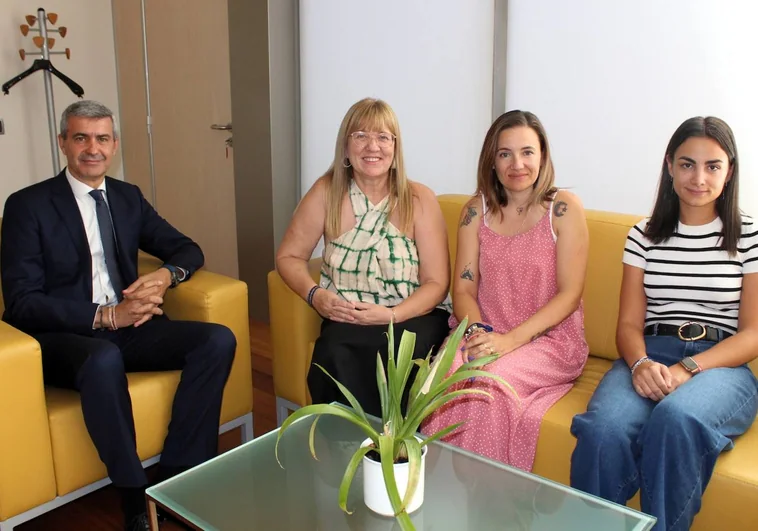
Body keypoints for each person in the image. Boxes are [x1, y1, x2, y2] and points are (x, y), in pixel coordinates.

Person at [0, 101, 236, 531]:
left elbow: (188, 249)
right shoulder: (26, 205)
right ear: (63, 144)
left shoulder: (126, 197)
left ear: (114, 146)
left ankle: (177, 477)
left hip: (130, 327)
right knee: (103, 359)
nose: (93, 148)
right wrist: (107, 316)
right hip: (61, 338)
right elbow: (21, 301)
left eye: (102, 138)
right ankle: (131, 495)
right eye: (81, 138)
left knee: (217, 339)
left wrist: (165, 275)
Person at [570, 116, 758, 531]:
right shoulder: (643, 235)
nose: (699, 178)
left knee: (675, 419)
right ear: (669, 166)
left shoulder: (749, 236)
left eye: (713, 166)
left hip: (720, 365)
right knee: (603, 429)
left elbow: (753, 335)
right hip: (649, 354)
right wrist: (639, 365)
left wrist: (688, 368)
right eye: (687, 164)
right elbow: (628, 325)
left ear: (729, 172)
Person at [421, 110, 589, 471]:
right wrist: (482, 334)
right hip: (482, 332)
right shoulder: (473, 212)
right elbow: (463, 289)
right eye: (505, 153)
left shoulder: (562, 209)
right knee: (442, 374)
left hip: (550, 342)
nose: (518, 164)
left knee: (491, 384)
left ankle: (484, 497)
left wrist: (508, 342)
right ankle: (431, 488)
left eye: (528, 152)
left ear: (542, 156)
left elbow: (570, 295)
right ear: (492, 161)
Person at [275, 97, 451, 417]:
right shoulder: (325, 193)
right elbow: (288, 256)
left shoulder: (418, 198)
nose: (373, 146)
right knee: (333, 350)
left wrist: (391, 315)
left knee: (399, 352)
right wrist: (315, 296)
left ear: (395, 148)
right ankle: (342, 449)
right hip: (349, 316)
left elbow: (437, 283)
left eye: (383, 137)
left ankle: (395, 451)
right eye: (360, 136)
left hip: (412, 317)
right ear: (346, 147)